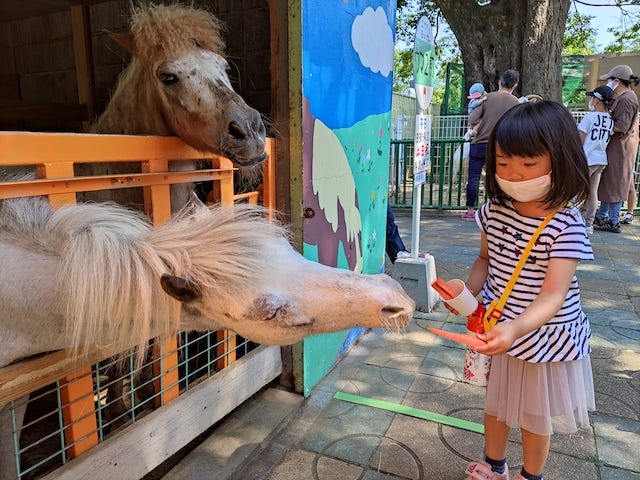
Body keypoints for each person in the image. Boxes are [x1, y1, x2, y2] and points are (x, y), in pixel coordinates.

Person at [462, 101, 594, 480]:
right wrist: (465, 292)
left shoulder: (566, 224)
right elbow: (485, 262)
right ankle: (494, 464)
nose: (514, 175)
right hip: (499, 327)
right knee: (496, 403)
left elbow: (554, 296)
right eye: (503, 164)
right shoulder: (493, 210)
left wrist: (516, 329)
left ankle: (530, 476)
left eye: (528, 164)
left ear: (560, 159)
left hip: (543, 335)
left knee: (535, 415)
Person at [462, 69, 520, 221]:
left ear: (500, 82)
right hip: (501, 145)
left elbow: (473, 118)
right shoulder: (515, 102)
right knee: (497, 177)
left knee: (473, 177)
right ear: (515, 85)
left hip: (479, 143)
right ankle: (496, 209)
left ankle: (470, 210)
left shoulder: (487, 97)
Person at [594, 64, 640, 233]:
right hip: (618, 146)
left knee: (615, 183)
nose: (609, 83)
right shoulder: (627, 97)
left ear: (617, 81)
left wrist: (602, 125)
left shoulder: (627, 99)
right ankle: (602, 215)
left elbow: (621, 126)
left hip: (620, 147)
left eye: (610, 80)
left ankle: (613, 220)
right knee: (611, 182)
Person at [577, 85, 615, 234]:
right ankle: (589, 224)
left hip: (587, 159)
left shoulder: (589, 117)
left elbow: (579, 140)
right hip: (600, 159)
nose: (591, 100)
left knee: (577, 191)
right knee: (593, 192)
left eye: (593, 97)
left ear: (598, 100)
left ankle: (572, 221)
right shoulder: (610, 120)